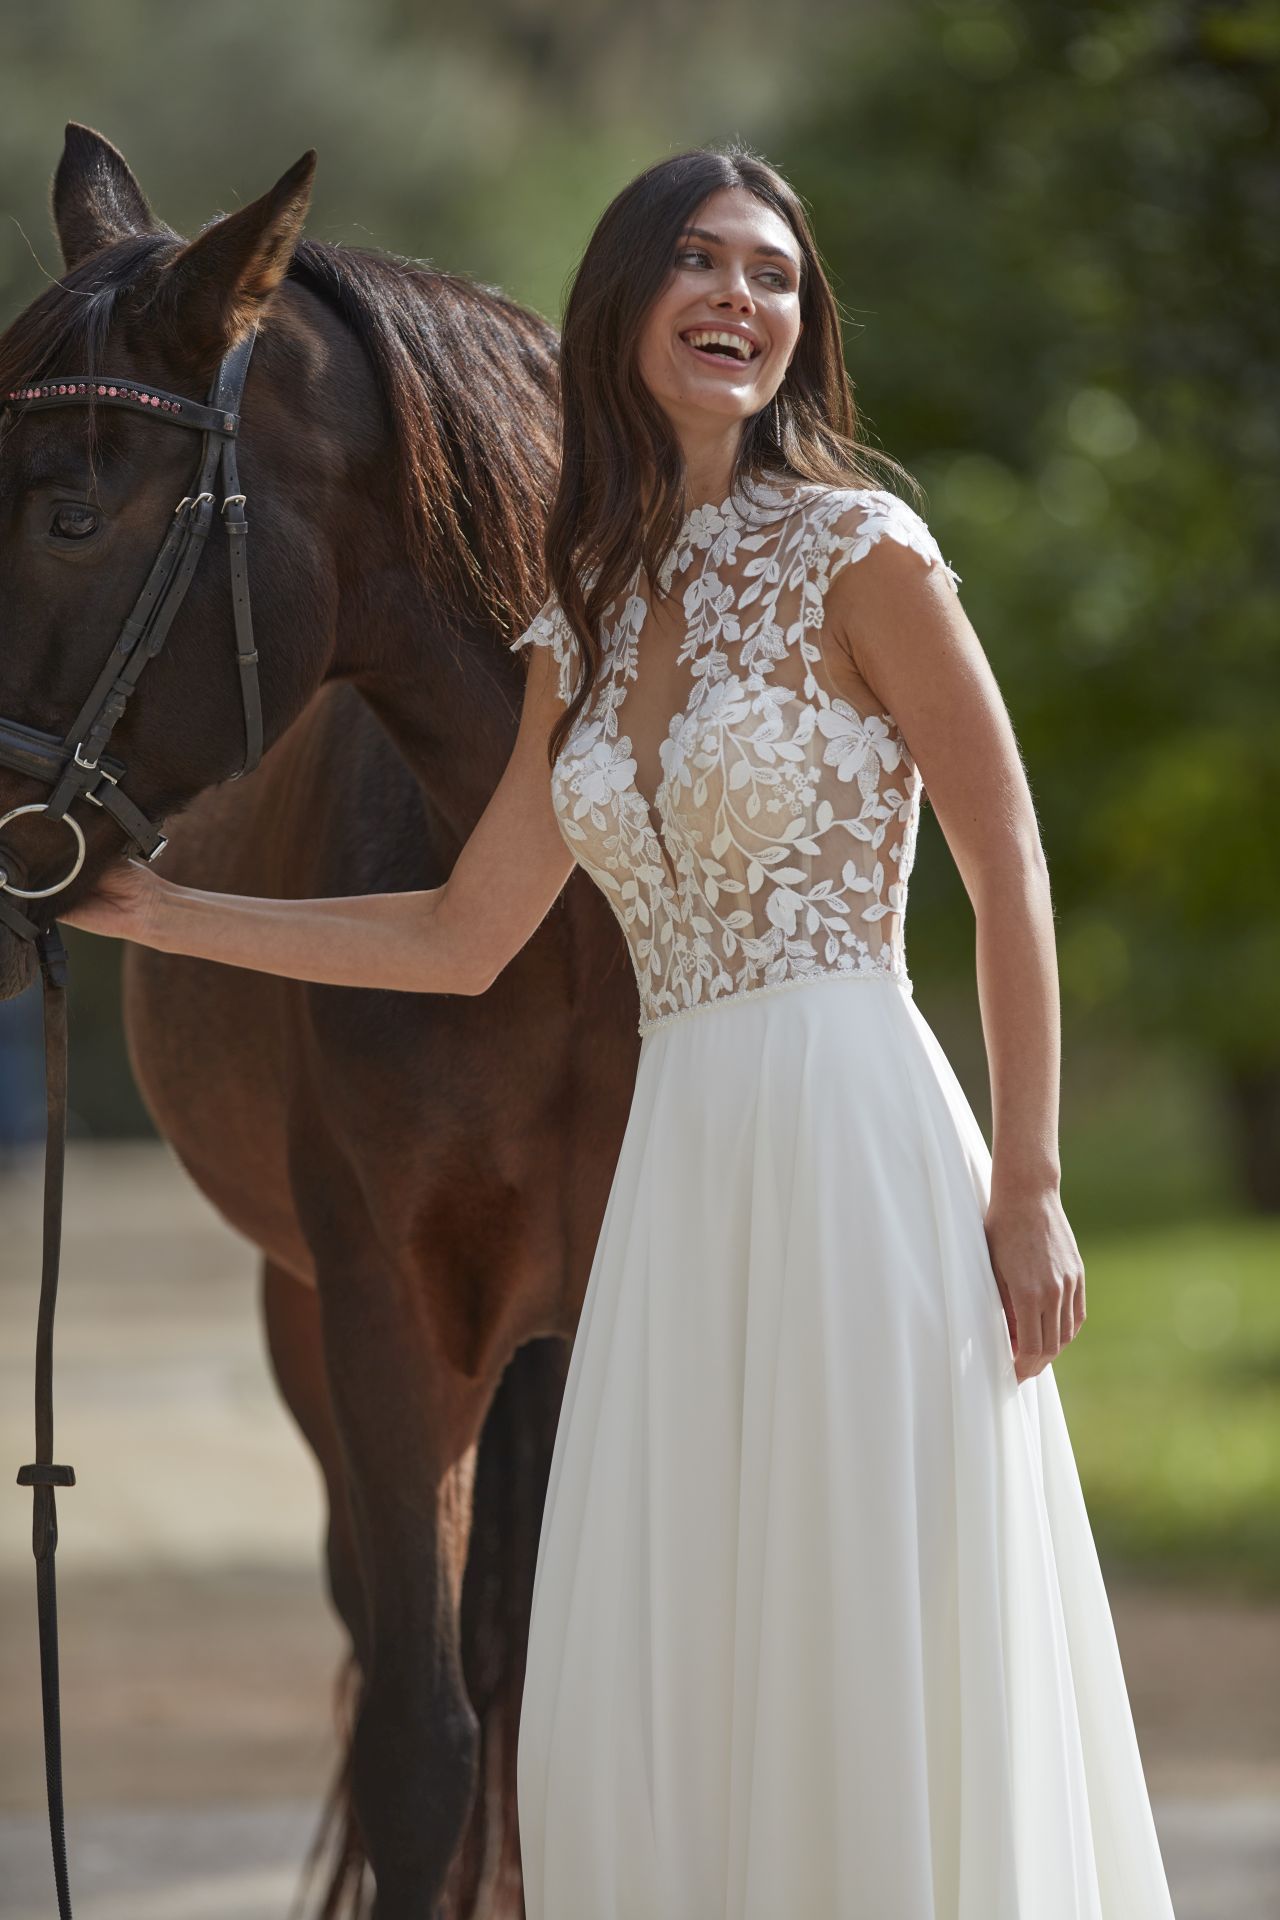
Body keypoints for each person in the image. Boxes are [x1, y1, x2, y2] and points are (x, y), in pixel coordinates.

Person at [61, 144, 1177, 1919]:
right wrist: (169, 910)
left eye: (777, 274)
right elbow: (460, 931)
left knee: (862, 1615)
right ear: (622, 303)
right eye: (701, 262)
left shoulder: (862, 547)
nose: (743, 298)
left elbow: (1009, 855)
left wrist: (1030, 1177)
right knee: (669, 1654)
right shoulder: (583, 610)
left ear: (803, 329)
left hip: (854, 1134)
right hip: (680, 1183)